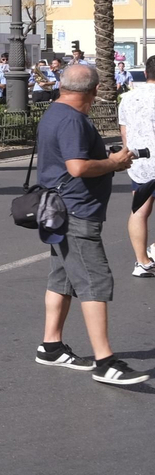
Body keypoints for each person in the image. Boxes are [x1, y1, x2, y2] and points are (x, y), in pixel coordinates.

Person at [35, 63, 148, 385]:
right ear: (95, 91)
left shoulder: (55, 112)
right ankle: (105, 362)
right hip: (75, 212)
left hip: (57, 211)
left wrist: (107, 158)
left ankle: (51, 345)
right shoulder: (73, 119)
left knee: (62, 280)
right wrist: (113, 163)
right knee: (94, 281)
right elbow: (77, 167)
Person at [117, 55, 155, 278]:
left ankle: (141, 262)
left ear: (146, 73)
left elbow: (125, 132)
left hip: (140, 161)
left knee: (139, 211)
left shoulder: (128, 98)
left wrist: (127, 155)